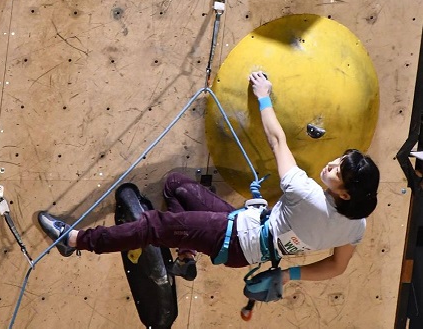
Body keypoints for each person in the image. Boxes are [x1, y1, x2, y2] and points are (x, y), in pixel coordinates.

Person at [37, 71, 380, 291]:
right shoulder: (356, 227)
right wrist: (285, 276)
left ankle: (78, 240)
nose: (330, 166)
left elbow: (278, 140)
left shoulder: (307, 194)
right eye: (337, 161)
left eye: (337, 172)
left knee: (155, 225)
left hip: (231, 239)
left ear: (346, 194)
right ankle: (185, 256)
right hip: (243, 236)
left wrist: (263, 95)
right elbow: (336, 266)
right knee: (175, 185)